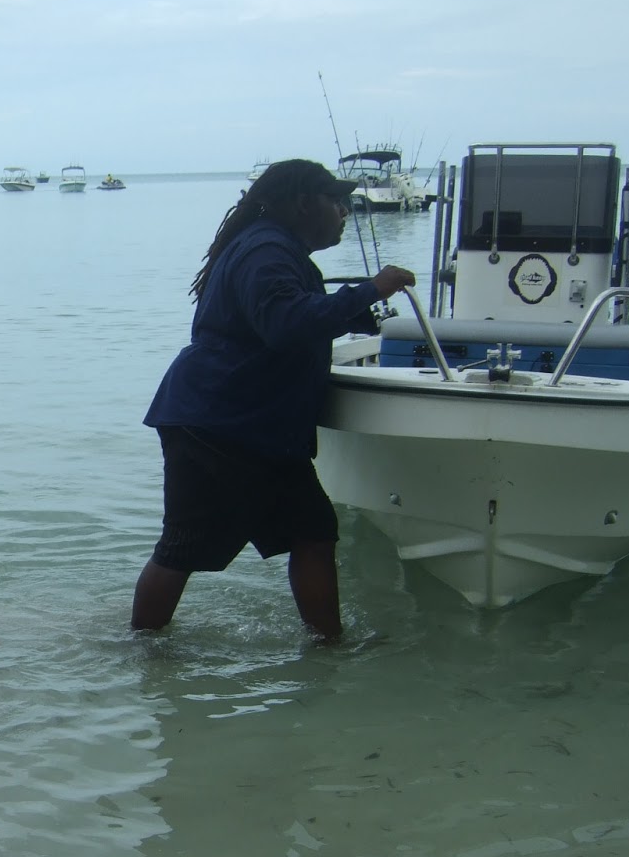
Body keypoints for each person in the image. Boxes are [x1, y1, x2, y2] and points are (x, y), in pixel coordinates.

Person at [131, 158, 417, 640]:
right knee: (181, 547)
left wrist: (363, 316)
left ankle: (329, 648)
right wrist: (370, 289)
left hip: (257, 429)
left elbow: (286, 314)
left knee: (314, 532)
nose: (344, 212)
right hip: (218, 425)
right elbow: (285, 324)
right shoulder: (266, 250)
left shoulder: (276, 249)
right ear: (304, 203)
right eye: (336, 201)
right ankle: (140, 649)